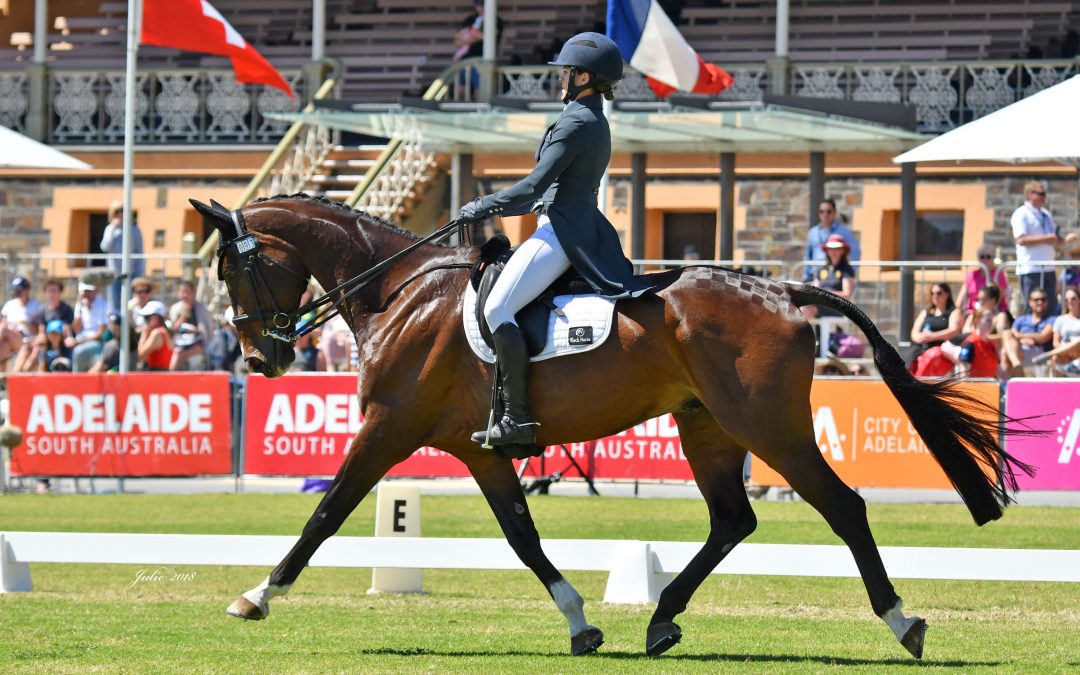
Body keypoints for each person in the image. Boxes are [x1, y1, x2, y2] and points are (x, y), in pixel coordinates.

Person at [456, 31, 652, 447]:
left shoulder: (577, 121)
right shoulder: (590, 117)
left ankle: (518, 420)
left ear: (584, 76)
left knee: (496, 308)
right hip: (569, 222)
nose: (560, 79)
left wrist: (483, 205)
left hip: (562, 231)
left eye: (565, 72)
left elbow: (533, 188)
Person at [1011, 181, 1077, 316]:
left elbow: (1053, 238)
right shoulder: (1021, 214)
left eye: (1044, 194)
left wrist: (1064, 240)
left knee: (1051, 306)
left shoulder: (1046, 214)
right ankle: (1032, 334)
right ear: (1030, 194)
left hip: (1049, 268)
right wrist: (1047, 238)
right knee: (1033, 306)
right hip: (1030, 268)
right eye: (1040, 193)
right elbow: (1021, 240)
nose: (1044, 197)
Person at [100, 200, 145, 315]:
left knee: (131, 304)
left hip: (132, 272)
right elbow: (105, 247)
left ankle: (129, 328)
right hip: (114, 273)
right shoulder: (110, 228)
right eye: (117, 212)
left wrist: (140, 273)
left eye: (123, 211)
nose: (120, 214)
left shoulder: (134, 229)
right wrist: (113, 228)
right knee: (114, 304)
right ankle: (116, 328)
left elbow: (139, 252)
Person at [907, 283, 963, 373]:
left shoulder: (953, 311)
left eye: (939, 293)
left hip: (940, 348)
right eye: (932, 293)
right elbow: (915, 331)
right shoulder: (927, 311)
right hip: (920, 347)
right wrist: (919, 337)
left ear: (947, 294)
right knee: (904, 358)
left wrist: (932, 336)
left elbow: (954, 331)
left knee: (929, 357)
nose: (935, 296)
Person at [1001, 289, 1058, 376]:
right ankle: (1016, 365)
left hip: (1040, 353)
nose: (1040, 302)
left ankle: (1008, 382)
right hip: (1021, 350)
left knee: (1005, 351)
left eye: (1043, 299)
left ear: (1047, 302)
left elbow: (1043, 337)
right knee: (1006, 334)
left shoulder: (1052, 319)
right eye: (1036, 299)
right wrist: (1025, 340)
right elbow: (1011, 335)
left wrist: (1020, 336)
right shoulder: (1021, 319)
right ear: (1030, 302)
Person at [803, 199, 861, 282]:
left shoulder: (844, 231)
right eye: (821, 211)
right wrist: (806, 275)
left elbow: (855, 252)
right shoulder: (813, 232)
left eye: (829, 211)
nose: (825, 214)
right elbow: (808, 255)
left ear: (834, 213)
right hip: (815, 275)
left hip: (835, 275)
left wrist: (849, 273)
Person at [801, 234, 856, 320]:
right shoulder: (821, 269)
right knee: (799, 306)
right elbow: (815, 289)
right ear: (827, 250)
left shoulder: (846, 270)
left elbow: (847, 294)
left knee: (806, 309)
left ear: (843, 251)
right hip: (819, 304)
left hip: (838, 307)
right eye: (831, 248)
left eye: (837, 249)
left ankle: (797, 333)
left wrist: (826, 293)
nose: (833, 251)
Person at [941, 309, 1001, 379]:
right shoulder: (970, 344)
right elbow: (964, 374)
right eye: (988, 320)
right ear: (977, 320)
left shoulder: (990, 344)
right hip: (976, 387)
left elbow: (999, 370)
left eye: (992, 320)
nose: (991, 323)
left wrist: (1009, 381)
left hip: (990, 386)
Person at [0, 275, 41, 369]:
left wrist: (25, 323)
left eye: (20, 289)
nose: (17, 292)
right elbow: (3, 324)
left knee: (3, 330)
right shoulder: (10, 304)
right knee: (3, 346)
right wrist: (11, 327)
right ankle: (3, 380)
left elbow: (38, 331)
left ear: (27, 290)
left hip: (25, 339)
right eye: (16, 290)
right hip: (10, 339)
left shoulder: (35, 305)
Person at [67, 281, 108, 372]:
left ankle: (77, 381)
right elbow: (77, 329)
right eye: (85, 291)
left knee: (78, 352)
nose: (87, 294)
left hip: (97, 342)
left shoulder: (103, 305)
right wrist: (79, 308)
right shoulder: (80, 304)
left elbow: (100, 334)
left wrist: (79, 341)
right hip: (82, 340)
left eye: (89, 291)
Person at [956, 245, 1009, 315]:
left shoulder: (999, 274)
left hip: (993, 311)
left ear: (993, 258)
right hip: (972, 311)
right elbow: (961, 297)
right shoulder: (972, 274)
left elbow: (1000, 297)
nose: (985, 259)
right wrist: (958, 310)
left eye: (988, 257)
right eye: (982, 257)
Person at [960, 284, 1011, 350]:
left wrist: (984, 336)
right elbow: (965, 332)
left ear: (992, 300)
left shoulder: (1000, 316)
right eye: (978, 299)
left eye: (983, 299)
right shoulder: (973, 315)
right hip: (973, 348)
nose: (980, 302)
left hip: (990, 351)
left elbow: (1003, 336)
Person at [1050, 286, 1080, 376]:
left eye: (1073, 299)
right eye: (1067, 300)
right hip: (1064, 351)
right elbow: (1055, 342)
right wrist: (1066, 350)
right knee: (1055, 358)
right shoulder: (1060, 319)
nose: (1070, 302)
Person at [136, 300, 173, 371]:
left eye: (146, 317)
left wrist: (144, 333)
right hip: (162, 375)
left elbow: (140, 355)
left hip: (156, 376)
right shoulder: (166, 332)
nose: (145, 321)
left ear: (156, 318)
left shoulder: (157, 333)